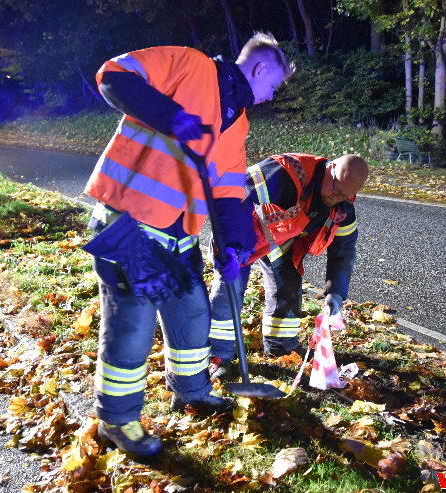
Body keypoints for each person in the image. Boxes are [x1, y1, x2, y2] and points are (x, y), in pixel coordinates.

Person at [81, 33, 294, 456]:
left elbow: (230, 189)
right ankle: (117, 420)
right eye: (274, 86)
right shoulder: (188, 64)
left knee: (192, 312)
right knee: (133, 323)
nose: (271, 97)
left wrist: (235, 242)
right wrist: (170, 116)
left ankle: (191, 392)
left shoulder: (238, 120)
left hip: (177, 236)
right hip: (130, 223)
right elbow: (114, 74)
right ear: (259, 69)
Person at [208, 153, 369, 377]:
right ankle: (217, 356)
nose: (335, 196)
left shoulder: (342, 208)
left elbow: (343, 252)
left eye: (344, 194)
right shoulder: (286, 173)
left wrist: (336, 292)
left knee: (288, 284)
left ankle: (279, 345)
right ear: (330, 167)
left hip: (277, 239)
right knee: (230, 288)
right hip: (241, 235)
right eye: (335, 187)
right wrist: (236, 241)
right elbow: (236, 193)